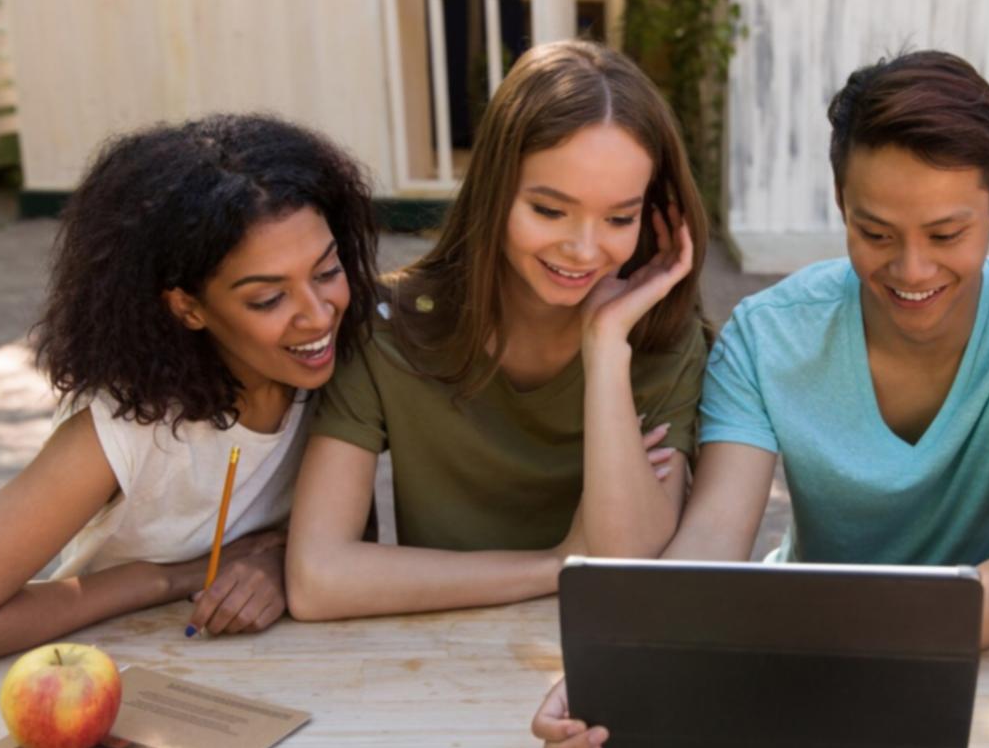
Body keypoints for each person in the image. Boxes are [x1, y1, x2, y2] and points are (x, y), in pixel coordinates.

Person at [534, 50, 989, 748]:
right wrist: (619, 673)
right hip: (805, 673)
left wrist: (834, 644)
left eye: (946, 234)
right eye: (875, 232)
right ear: (841, 201)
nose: (911, 270)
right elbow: (712, 545)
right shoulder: (767, 334)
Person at [0, 114, 382, 669]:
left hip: (293, 677)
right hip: (111, 679)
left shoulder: (348, 370)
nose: (317, 316)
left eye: (327, 270)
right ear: (186, 307)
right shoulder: (127, 428)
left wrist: (281, 563)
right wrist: (176, 577)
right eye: (267, 299)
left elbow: (353, 528)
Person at [285, 40, 709, 620]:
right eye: (550, 210)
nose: (584, 249)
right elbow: (317, 579)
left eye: (619, 218)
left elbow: (626, 562)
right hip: (430, 660)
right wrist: (561, 564)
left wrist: (606, 347)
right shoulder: (387, 328)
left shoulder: (660, 339)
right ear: (495, 191)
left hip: (589, 668)